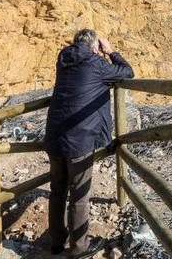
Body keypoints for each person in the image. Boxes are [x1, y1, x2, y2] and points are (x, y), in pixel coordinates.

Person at [44, 28, 134, 257]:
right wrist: (111, 52)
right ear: (95, 47)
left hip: (55, 136)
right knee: (79, 195)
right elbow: (127, 72)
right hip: (79, 139)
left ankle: (56, 242)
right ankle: (79, 248)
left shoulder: (63, 59)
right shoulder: (96, 63)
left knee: (57, 191)